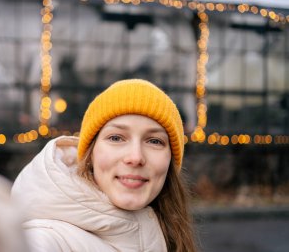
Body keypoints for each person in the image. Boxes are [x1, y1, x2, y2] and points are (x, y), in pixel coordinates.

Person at [11, 79, 197, 252]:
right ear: (90, 153)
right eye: (116, 138)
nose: (135, 157)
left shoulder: (170, 233)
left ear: (170, 161)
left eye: (155, 141)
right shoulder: (45, 240)